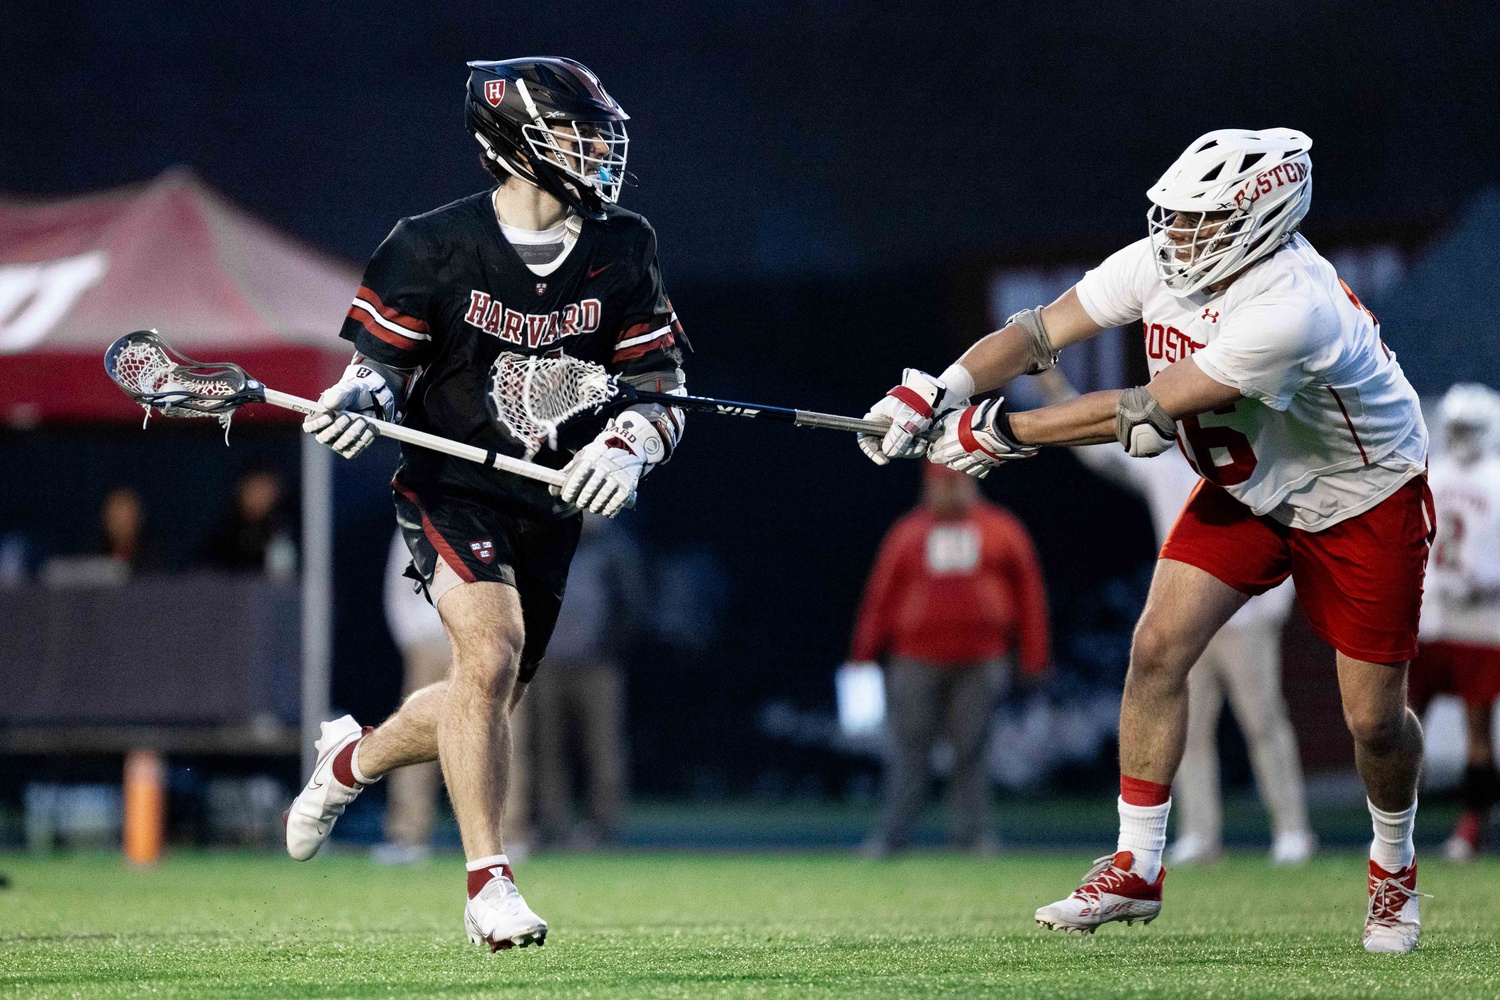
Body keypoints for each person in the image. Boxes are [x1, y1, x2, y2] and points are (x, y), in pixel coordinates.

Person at [858, 129, 1432, 952]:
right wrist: (935, 390)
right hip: (1252, 485)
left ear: (1262, 219)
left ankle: (1392, 864)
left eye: (1201, 220)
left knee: (1373, 721)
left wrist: (1000, 432)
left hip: (1360, 497)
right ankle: (1137, 864)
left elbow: (1148, 407)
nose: (1178, 235)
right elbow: (1037, 334)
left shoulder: (1292, 307)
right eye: (1177, 215)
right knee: (1157, 648)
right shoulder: (1162, 262)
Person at [284, 57, 688, 952]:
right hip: (450, 486)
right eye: (578, 132)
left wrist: (627, 448)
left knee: (487, 689)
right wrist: (361, 406)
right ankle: (489, 885)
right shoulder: (430, 243)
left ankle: (351, 758)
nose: (596, 151)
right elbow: (376, 374)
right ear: (516, 141)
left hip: (548, 503)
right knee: (491, 654)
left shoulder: (624, 245)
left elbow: (660, 388)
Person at [1037, 369, 1314, 866]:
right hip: (1186, 613)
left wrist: (1276, 601)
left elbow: (1290, 522)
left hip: (1245, 615)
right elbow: (1099, 449)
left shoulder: (1255, 455)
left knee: (1263, 720)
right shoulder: (1167, 463)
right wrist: (1056, 392)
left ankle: (1292, 829)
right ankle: (1201, 834)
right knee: (1185, 727)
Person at [847, 463, 1048, 856]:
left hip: (981, 659)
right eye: (940, 484)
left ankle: (973, 837)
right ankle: (893, 837)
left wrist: (1034, 657)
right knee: (908, 751)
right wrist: (863, 655)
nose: (948, 492)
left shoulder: (1001, 529)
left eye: (955, 483)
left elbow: (1029, 595)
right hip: (915, 660)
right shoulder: (908, 532)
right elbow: (880, 597)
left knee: (973, 751)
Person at [1407, 384, 1500, 862]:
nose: (1461, 437)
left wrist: (1486, 580)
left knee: (1478, 732)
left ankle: (1470, 830)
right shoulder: (1434, 474)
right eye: (1456, 428)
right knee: (1399, 723)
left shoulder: (1495, 478)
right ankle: (1397, 828)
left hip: (1482, 618)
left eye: (1468, 428)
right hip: (1429, 614)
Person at [529, 513, 641, 848]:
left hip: (599, 664)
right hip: (547, 661)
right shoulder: (546, 539)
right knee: (547, 745)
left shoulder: (615, 547)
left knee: (603, 745)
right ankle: (552, 824)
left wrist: (610, 646)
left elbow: (633, 602)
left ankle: (605, 825)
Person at [203, 467, 296, 577]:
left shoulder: (286, 531)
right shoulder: (225, 537)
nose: (259, 496)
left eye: (265, 488)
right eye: (255, 488)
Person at [93, 486, 164, 573]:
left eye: (124, 515)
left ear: (137, 518)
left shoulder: (154, 556)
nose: (120, 522)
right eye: (115, 516)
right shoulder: (94, 554)